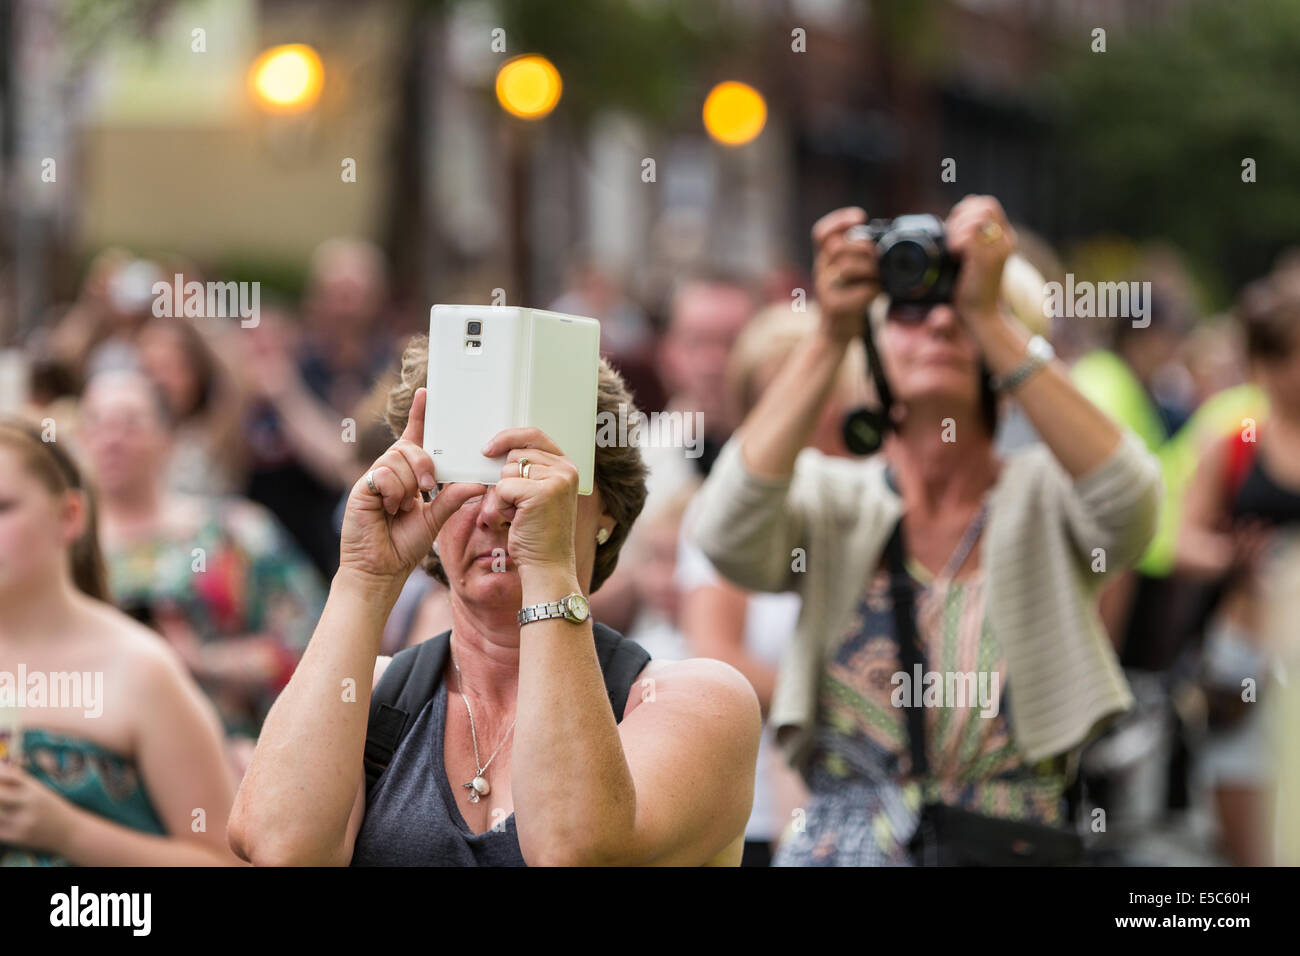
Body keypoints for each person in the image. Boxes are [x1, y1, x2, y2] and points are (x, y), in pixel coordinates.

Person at [689, 195, 1162, 865]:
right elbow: (725, 533)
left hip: (1009, 842)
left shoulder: (1044, 497)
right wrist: (830, 332)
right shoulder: (835, 498)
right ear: (876, 345)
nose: (940, 321)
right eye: (912, 308)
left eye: (962, 309)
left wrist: (990, 320)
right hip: (844, 846)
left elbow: (1132, 504)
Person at [227, 341, 761, 866]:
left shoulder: (697, 701)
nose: (495, 510)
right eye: (464, 477)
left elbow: (573, 848)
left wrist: (549, 571)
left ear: (608, 512)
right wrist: (364, 580)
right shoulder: (369, 699)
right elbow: (280, 849)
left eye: (531, 476)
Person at [0, 419, 238, 865]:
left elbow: (226, 860)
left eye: (2, 507)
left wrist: (69, 832)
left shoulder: (140, 668)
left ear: (69, 516)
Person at [77, 370, 326, 766]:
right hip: (97, 763)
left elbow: (318, 644)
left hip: (227, 758)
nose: (111, 439)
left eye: (129, 423)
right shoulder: (62, 546)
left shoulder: (234, 531)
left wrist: (206, 661)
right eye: (97, 423)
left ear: (168, 436)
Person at [1176, 264, 1300, 866]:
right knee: (1243, 839)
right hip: (1244, 653)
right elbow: (1181, 539)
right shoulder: (1235, 437)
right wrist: (1235, 558)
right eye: (1281, 358)